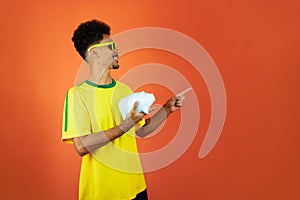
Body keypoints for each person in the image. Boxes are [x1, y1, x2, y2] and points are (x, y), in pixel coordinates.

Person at [62, 19, 186, 200]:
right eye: (111, 45)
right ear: (94, 52)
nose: (116, 50)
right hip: (102, 194)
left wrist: (167, 108)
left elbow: (141, 130)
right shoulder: (77, 95)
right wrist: (125, 124)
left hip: (136, 188)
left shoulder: (124, 90)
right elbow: (82, 146)